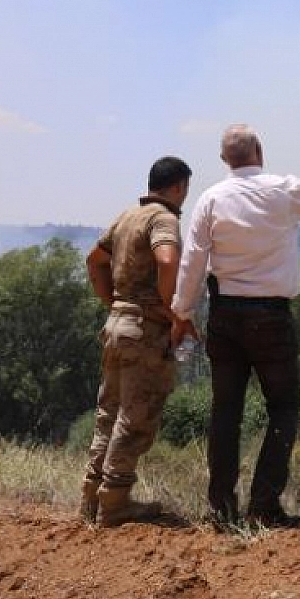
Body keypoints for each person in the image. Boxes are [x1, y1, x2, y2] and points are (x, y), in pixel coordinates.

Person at [171, 124, 300, 527]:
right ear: (259, 151)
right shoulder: (282, 189)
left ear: (225, 159)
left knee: (226, 411)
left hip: (224, 316)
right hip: (271, 318)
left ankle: (222, 509)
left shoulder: (210, 200)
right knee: (283, 407)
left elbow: (193, 262)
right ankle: (264, 505)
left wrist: (182, 314)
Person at [82, 155, 194, 527]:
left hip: (116, 326)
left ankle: (91, 498)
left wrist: (114, 304)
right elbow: (166, 261)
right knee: (136, 416)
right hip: (144, 332)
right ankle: (114, 504)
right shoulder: (163, 219)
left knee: (108, 414)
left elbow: (93, 260)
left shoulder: (126, 216)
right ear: (178, 187)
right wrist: (174, 311)